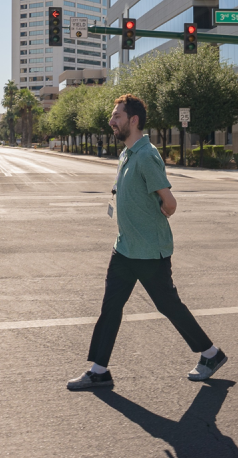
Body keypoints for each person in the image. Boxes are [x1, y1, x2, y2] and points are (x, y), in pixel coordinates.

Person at [67, 94, 226, 391]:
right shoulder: (126, 154)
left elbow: (170, 203)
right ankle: (99, 370)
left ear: (133, 120)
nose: (112, 121)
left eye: (117, 116)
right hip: (126, 249)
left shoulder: (146, 155)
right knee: (110, 307)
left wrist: (158, 212)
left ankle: (211, 354)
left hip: (150, 252)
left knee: (170, 306)